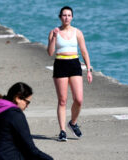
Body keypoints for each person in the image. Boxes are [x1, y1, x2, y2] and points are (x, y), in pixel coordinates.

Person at [47, 6, 93, 141]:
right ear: (60, 17)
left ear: (72, 17)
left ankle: (72, 123)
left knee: (79, 99)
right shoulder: (54, 32)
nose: (66, 17)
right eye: (64, 15)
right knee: (62, 100)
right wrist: (54, 38)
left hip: (74, 64)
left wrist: (89, 69)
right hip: (60, 64)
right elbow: (50, 52)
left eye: (69, 15)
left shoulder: (77, 32)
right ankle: (62, 131)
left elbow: (84, 51)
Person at [0, 82, 53, 160]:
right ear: (18, 98)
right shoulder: (15, 115)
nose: (27, 106)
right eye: (27, 102)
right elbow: (30, 148)